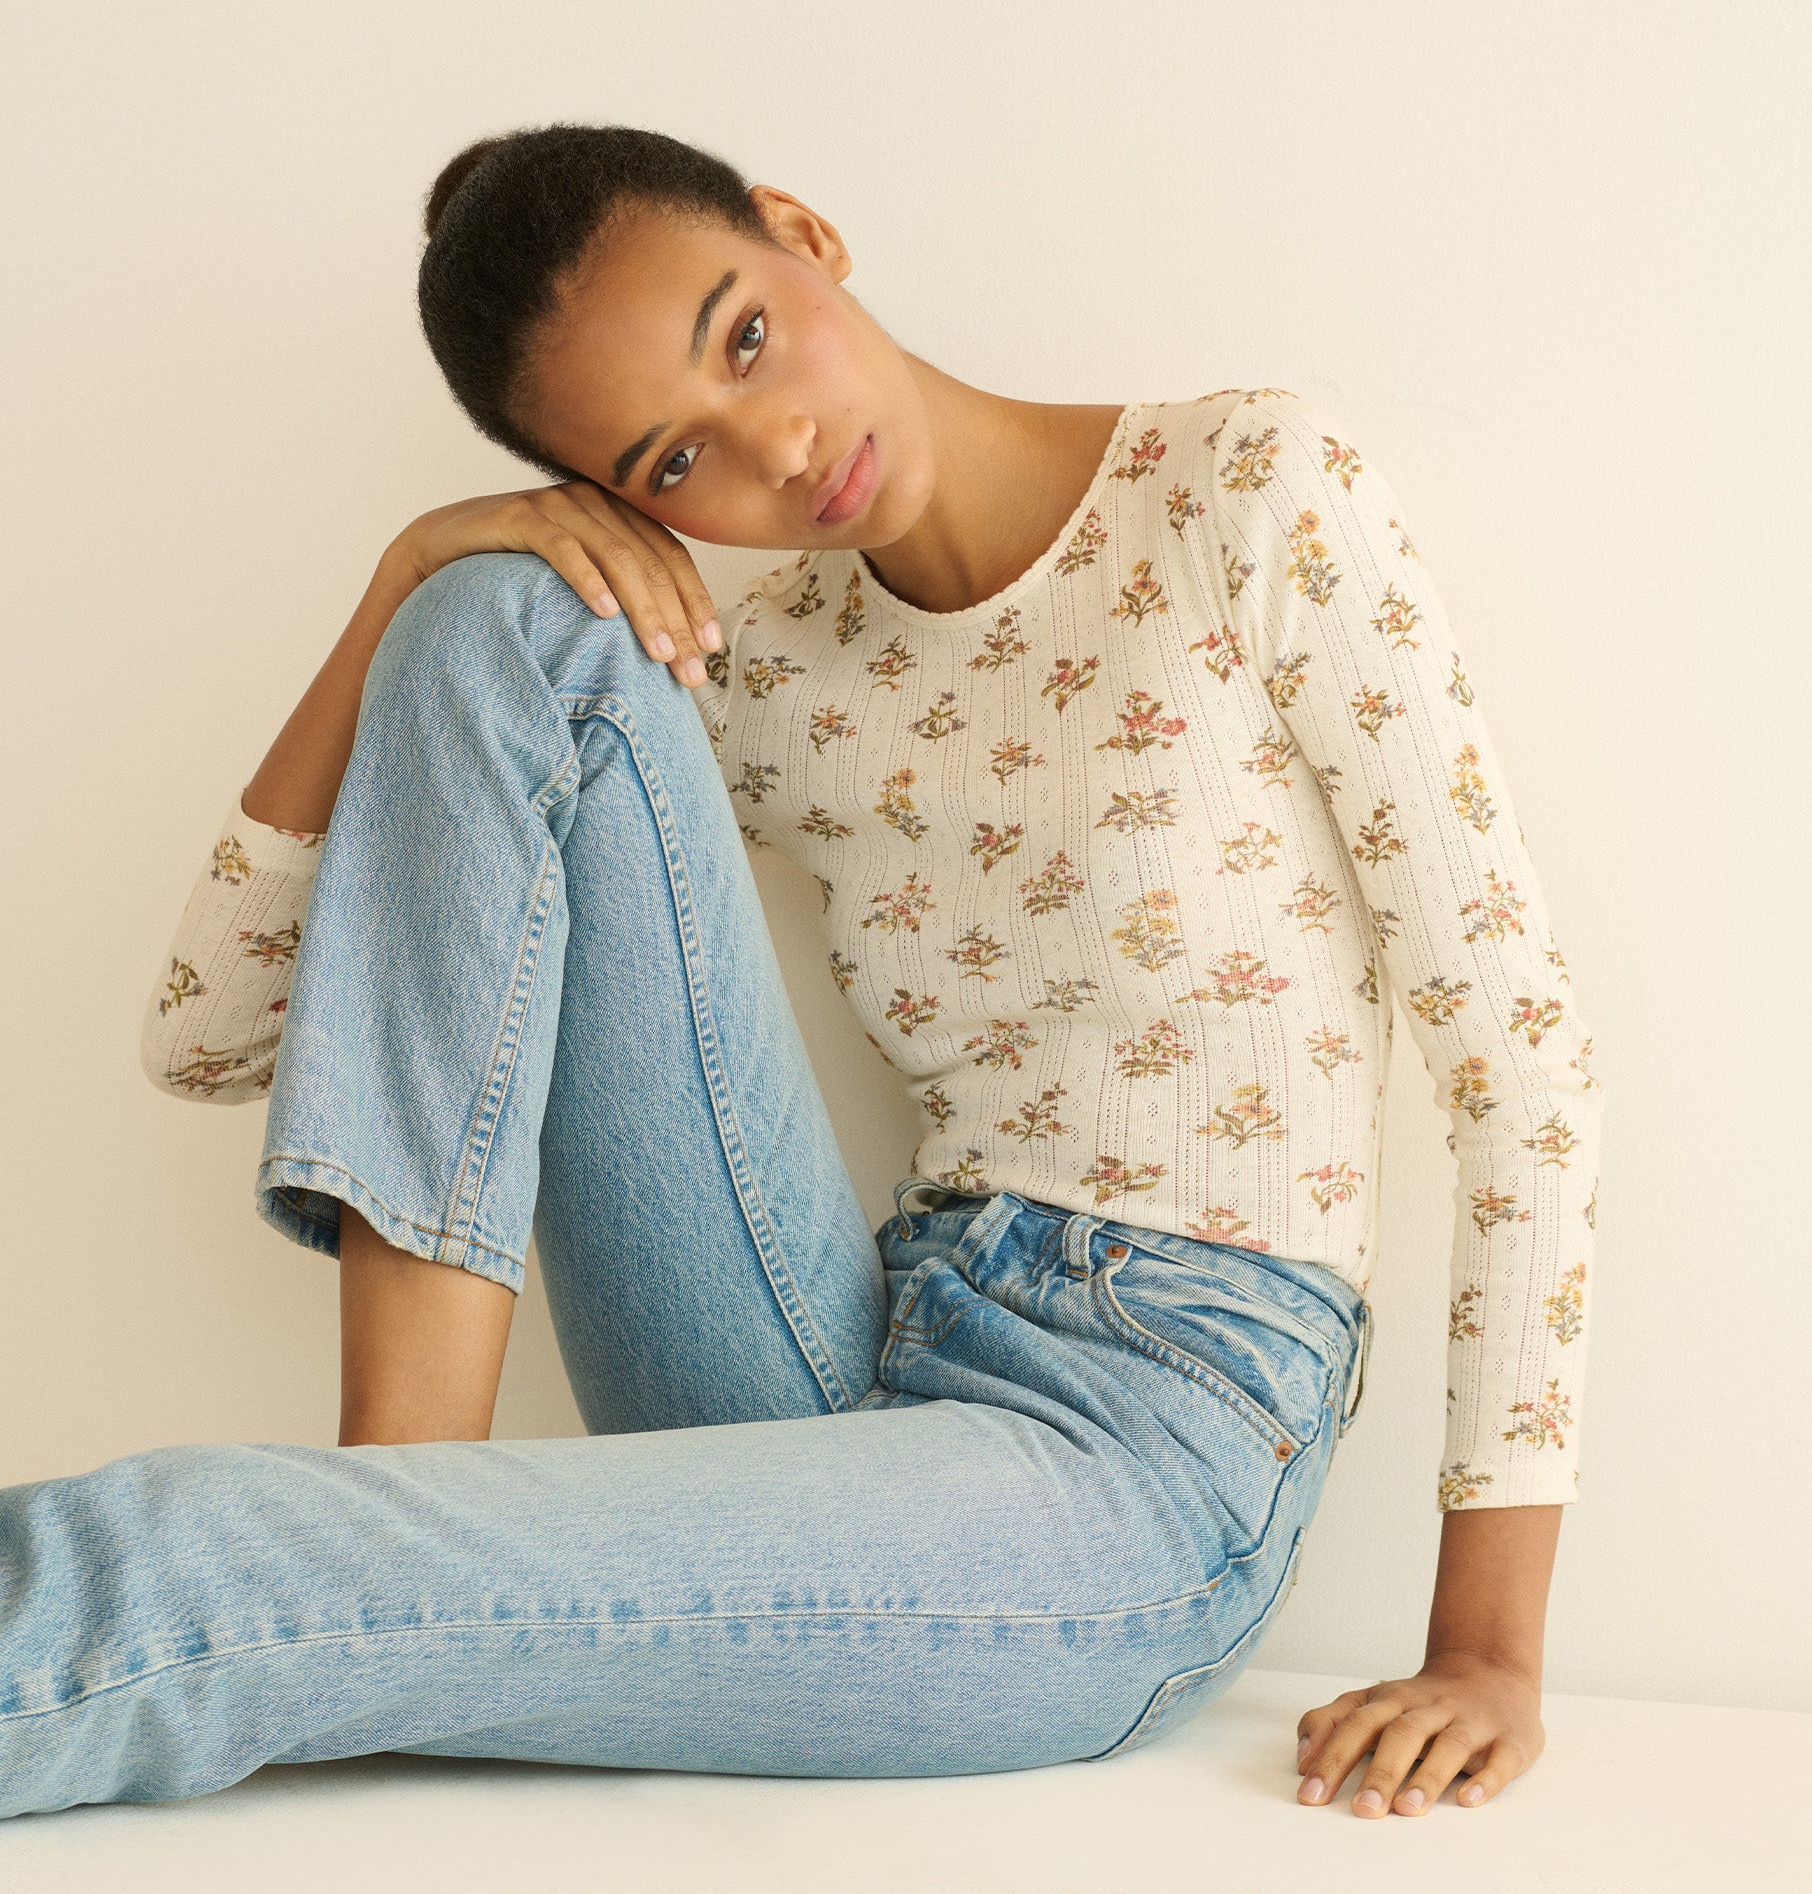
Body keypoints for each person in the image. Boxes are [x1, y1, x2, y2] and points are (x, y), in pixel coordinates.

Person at [0, 124, 1601, 1822]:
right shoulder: (759, 670)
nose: (774, 447)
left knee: (193, 1555)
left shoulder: (1248, 493)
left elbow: (1519, 1060)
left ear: (801, 231)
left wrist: (1489, 1649)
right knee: (498, 616)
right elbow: (207, 1032)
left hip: (1136, 1463)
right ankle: (396, 1537)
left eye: (746, 335)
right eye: (676, 463)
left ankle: (361, 1590)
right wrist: (411, 572)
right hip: (851, 1342)